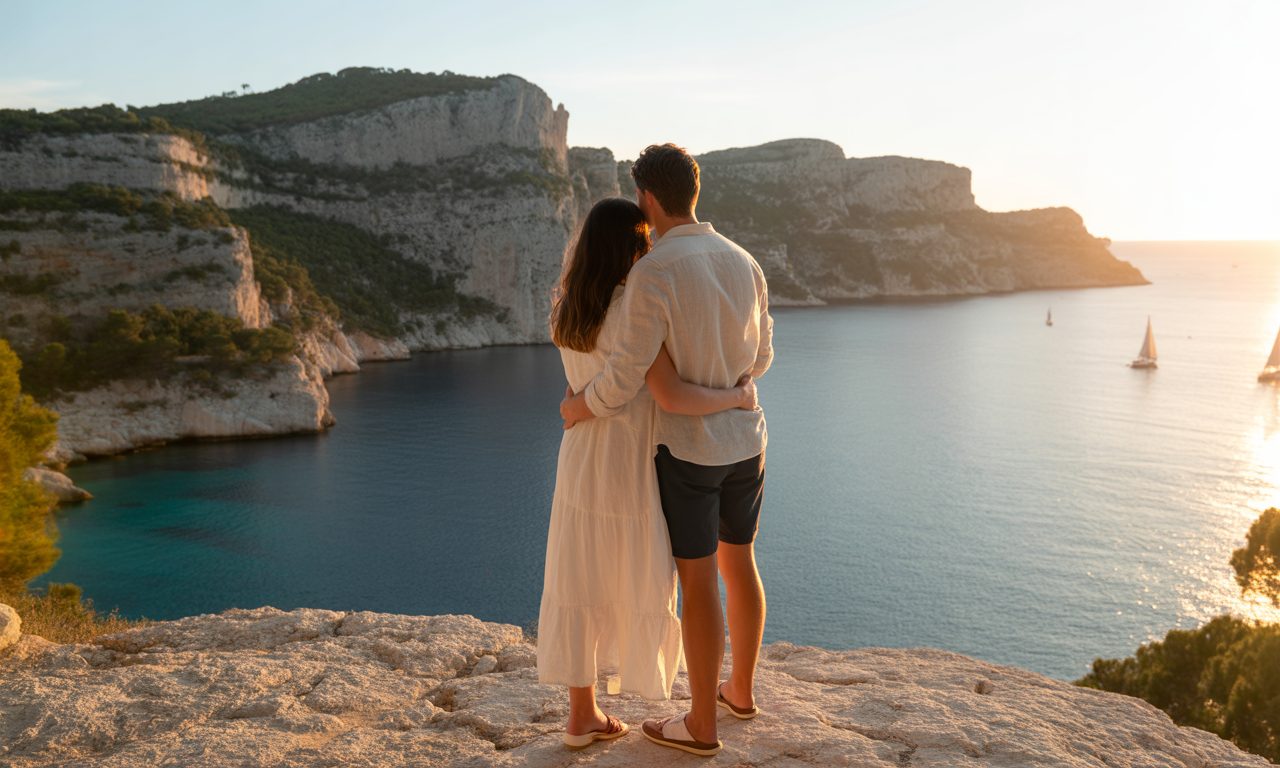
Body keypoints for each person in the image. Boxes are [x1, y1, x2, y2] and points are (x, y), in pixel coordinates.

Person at [561, 143, 773, 757]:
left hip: (690, 450)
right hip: (748, 443)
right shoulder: (744, 260)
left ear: (648, 198)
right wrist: (735, 391)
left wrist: (579, 407)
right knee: (743, 563)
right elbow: (761, 357)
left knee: (700, 578)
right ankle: (741, 690)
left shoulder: (654, 271)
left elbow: (631, 379)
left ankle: (701, 723)